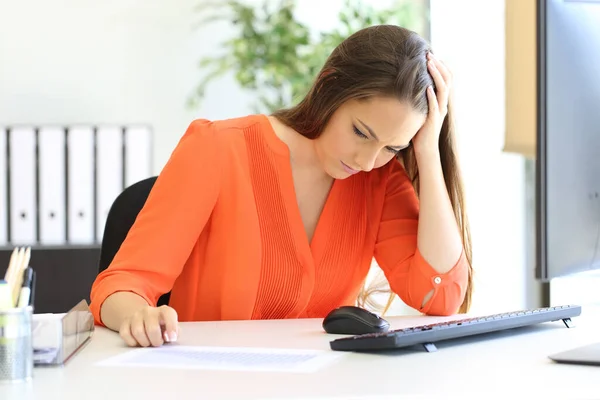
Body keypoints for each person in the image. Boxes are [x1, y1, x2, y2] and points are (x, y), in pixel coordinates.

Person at [90, 24, 473, 348]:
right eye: (360, 132)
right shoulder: (219, 149)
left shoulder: (380, 180)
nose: (366, 161)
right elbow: (122, 283)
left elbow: (440, 295)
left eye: (392, 146)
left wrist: (426, 151)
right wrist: (139, 316)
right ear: (328, 87)